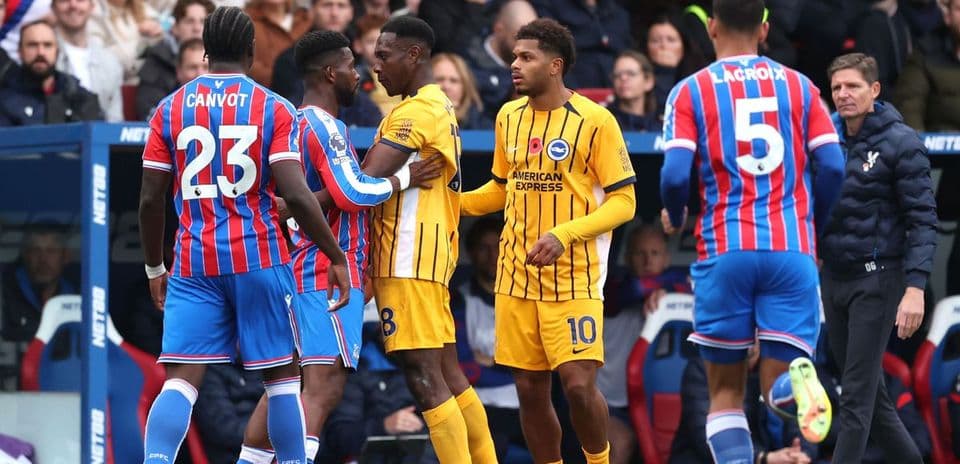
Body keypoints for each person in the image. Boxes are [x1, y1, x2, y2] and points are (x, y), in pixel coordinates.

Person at [138, 7, 352, 464]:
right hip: (259, 258)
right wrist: (334, 254)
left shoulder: (169, 109)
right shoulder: (274, 107)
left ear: (206, 53)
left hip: (194, 262)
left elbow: (151, 201)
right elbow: (295, 192)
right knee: (281, 381)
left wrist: (156, 265)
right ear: (253, 52)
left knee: (181, 380)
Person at [235, 30, 442, 464]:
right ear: (330, 73)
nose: (359, 75)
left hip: (296, 271)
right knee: (323, 388)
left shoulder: (293, 121)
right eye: (350, 66)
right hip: (324, 274)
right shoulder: (323, 124)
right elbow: (351, 191)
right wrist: (406, 177)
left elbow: (307, 199)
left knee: (284, 388)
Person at [659, 1, 846, 462]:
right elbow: (834, 166)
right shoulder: (802, 87)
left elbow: (675, 175)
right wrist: (811, 231)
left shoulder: (690, 90)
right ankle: (795, 385)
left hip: (726, 249)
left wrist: (676, 213)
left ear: (711, 26)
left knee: (724, 395)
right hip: (792, 248)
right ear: (765, 29)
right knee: (772, 392)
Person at [460, 17, 638, 464]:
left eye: (525, 58)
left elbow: (625, 202)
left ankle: (598, 461)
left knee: (578, 386)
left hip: (575, 279)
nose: (514, 65)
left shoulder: (596, 121)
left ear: (555, 65)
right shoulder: (508, 116)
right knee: (529, 390)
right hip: (515, 278)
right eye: (514, 57)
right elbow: (501, 187)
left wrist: (564, 234)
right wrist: (449, 203)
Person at [361, 15, 498, 464]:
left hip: (406, 259)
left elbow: (362, 183)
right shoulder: (439, 106)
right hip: (428, 260)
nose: (374, 65)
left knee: (425, 378)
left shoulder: (417, 111)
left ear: (413, 54)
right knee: (449, 376)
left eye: (384, 55)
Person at [821, 52, 937, 463]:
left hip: (878, 279)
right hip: (833, 277)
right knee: (872, 397)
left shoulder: (901, 141)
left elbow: (924, 219)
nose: (843, 95)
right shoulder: (824, 138)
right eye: (836, 87)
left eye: (852, 86)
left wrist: (915, 288)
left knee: (855, 397)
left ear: (874, 90)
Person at [600, 224, 690, 464]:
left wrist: (667, 291)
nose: (647, 260)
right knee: (621, 445)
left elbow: (691, 283)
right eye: (640, 253)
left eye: (655, 253)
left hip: (656, 399)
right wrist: (661, 287)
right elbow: (632, 290)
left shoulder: (675, 286)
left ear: (667, 258)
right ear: (628, 257)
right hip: (611, 403)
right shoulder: (611, 286)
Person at [452, 216, 525, 462]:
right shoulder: (458, 300)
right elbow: (466, 370)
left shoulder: (525, 298)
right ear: (471, 252)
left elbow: (539, 363)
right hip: (481, 406)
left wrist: (491, 362)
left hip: (527, 403)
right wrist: (510, 366)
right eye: (484, 247)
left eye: (499, 246)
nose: (493, 254)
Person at [670, 341, 817, 464]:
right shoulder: (702, 369)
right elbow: (708, 436)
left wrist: (801, 453)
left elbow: (800, 414)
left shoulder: (775, 367)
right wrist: (763, 458)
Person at [0, 224, 77, 390]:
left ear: (65, 257)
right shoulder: (5, 293)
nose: (43, 260)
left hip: (61, 393)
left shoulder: (77, 299)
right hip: (11, 394)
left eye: (51, 251)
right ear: (25, 255)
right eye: (36, 250)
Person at [0, 20, 103, 126]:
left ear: (57, 51)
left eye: (47, 45)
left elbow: (99, 135)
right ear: (20, 51)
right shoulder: (5, 99)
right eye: (32, 45)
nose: (40, 52)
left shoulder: (77, 95)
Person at [136, 0, 215, 120]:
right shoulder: (157, 61)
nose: (197, 28)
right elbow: (151, 114)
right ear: (175, 28)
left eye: (203, 22)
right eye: (190, 21)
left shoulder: (227, 62)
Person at [52, 0, 124, 122]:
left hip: (101, 137)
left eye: (80, 0)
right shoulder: (42, 56)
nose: (73, 5)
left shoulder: (110, 62)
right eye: (64, 0)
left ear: (91, 6)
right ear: (53, 7)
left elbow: (115, 120)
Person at [432, 52, 492, 129]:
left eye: (454, 81)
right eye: (439, 79)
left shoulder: (484, 128)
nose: (446, 86)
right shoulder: (413, 121)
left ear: (465, 87)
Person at [607, 50, 660, 132]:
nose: (623, 78)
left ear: (648, 81)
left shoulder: (661, 123)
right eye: (617, 75)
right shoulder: (605, 121)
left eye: (631, 73)